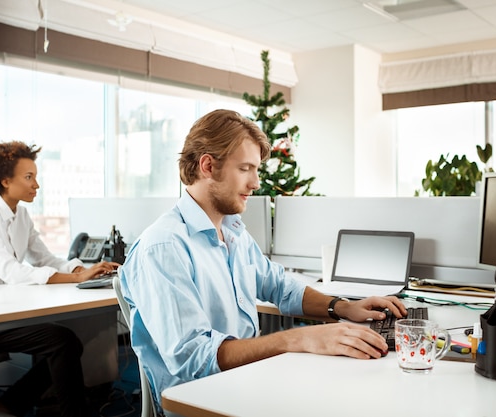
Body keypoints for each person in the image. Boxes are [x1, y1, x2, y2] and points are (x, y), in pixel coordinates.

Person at [120, 109, 409, 415]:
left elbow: (280, 287)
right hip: (201, 401)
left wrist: (342, 307)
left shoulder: (232, 232)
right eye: (245, 169)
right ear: (207, 165)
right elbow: (195, 359)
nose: (256, 182)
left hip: (248, 381)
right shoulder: (164, 247)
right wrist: (300, 338)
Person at [0, 141, 120, 417]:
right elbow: (12, 272)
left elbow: (45, 259)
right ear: (5, 181)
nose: (37, 185)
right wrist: (71, 277)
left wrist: (81, 271)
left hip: (4, 310)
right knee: (63, 342)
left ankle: (11, 402)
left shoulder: (21, 215)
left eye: (35, 177)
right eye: (29, 177)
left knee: (67, 341)